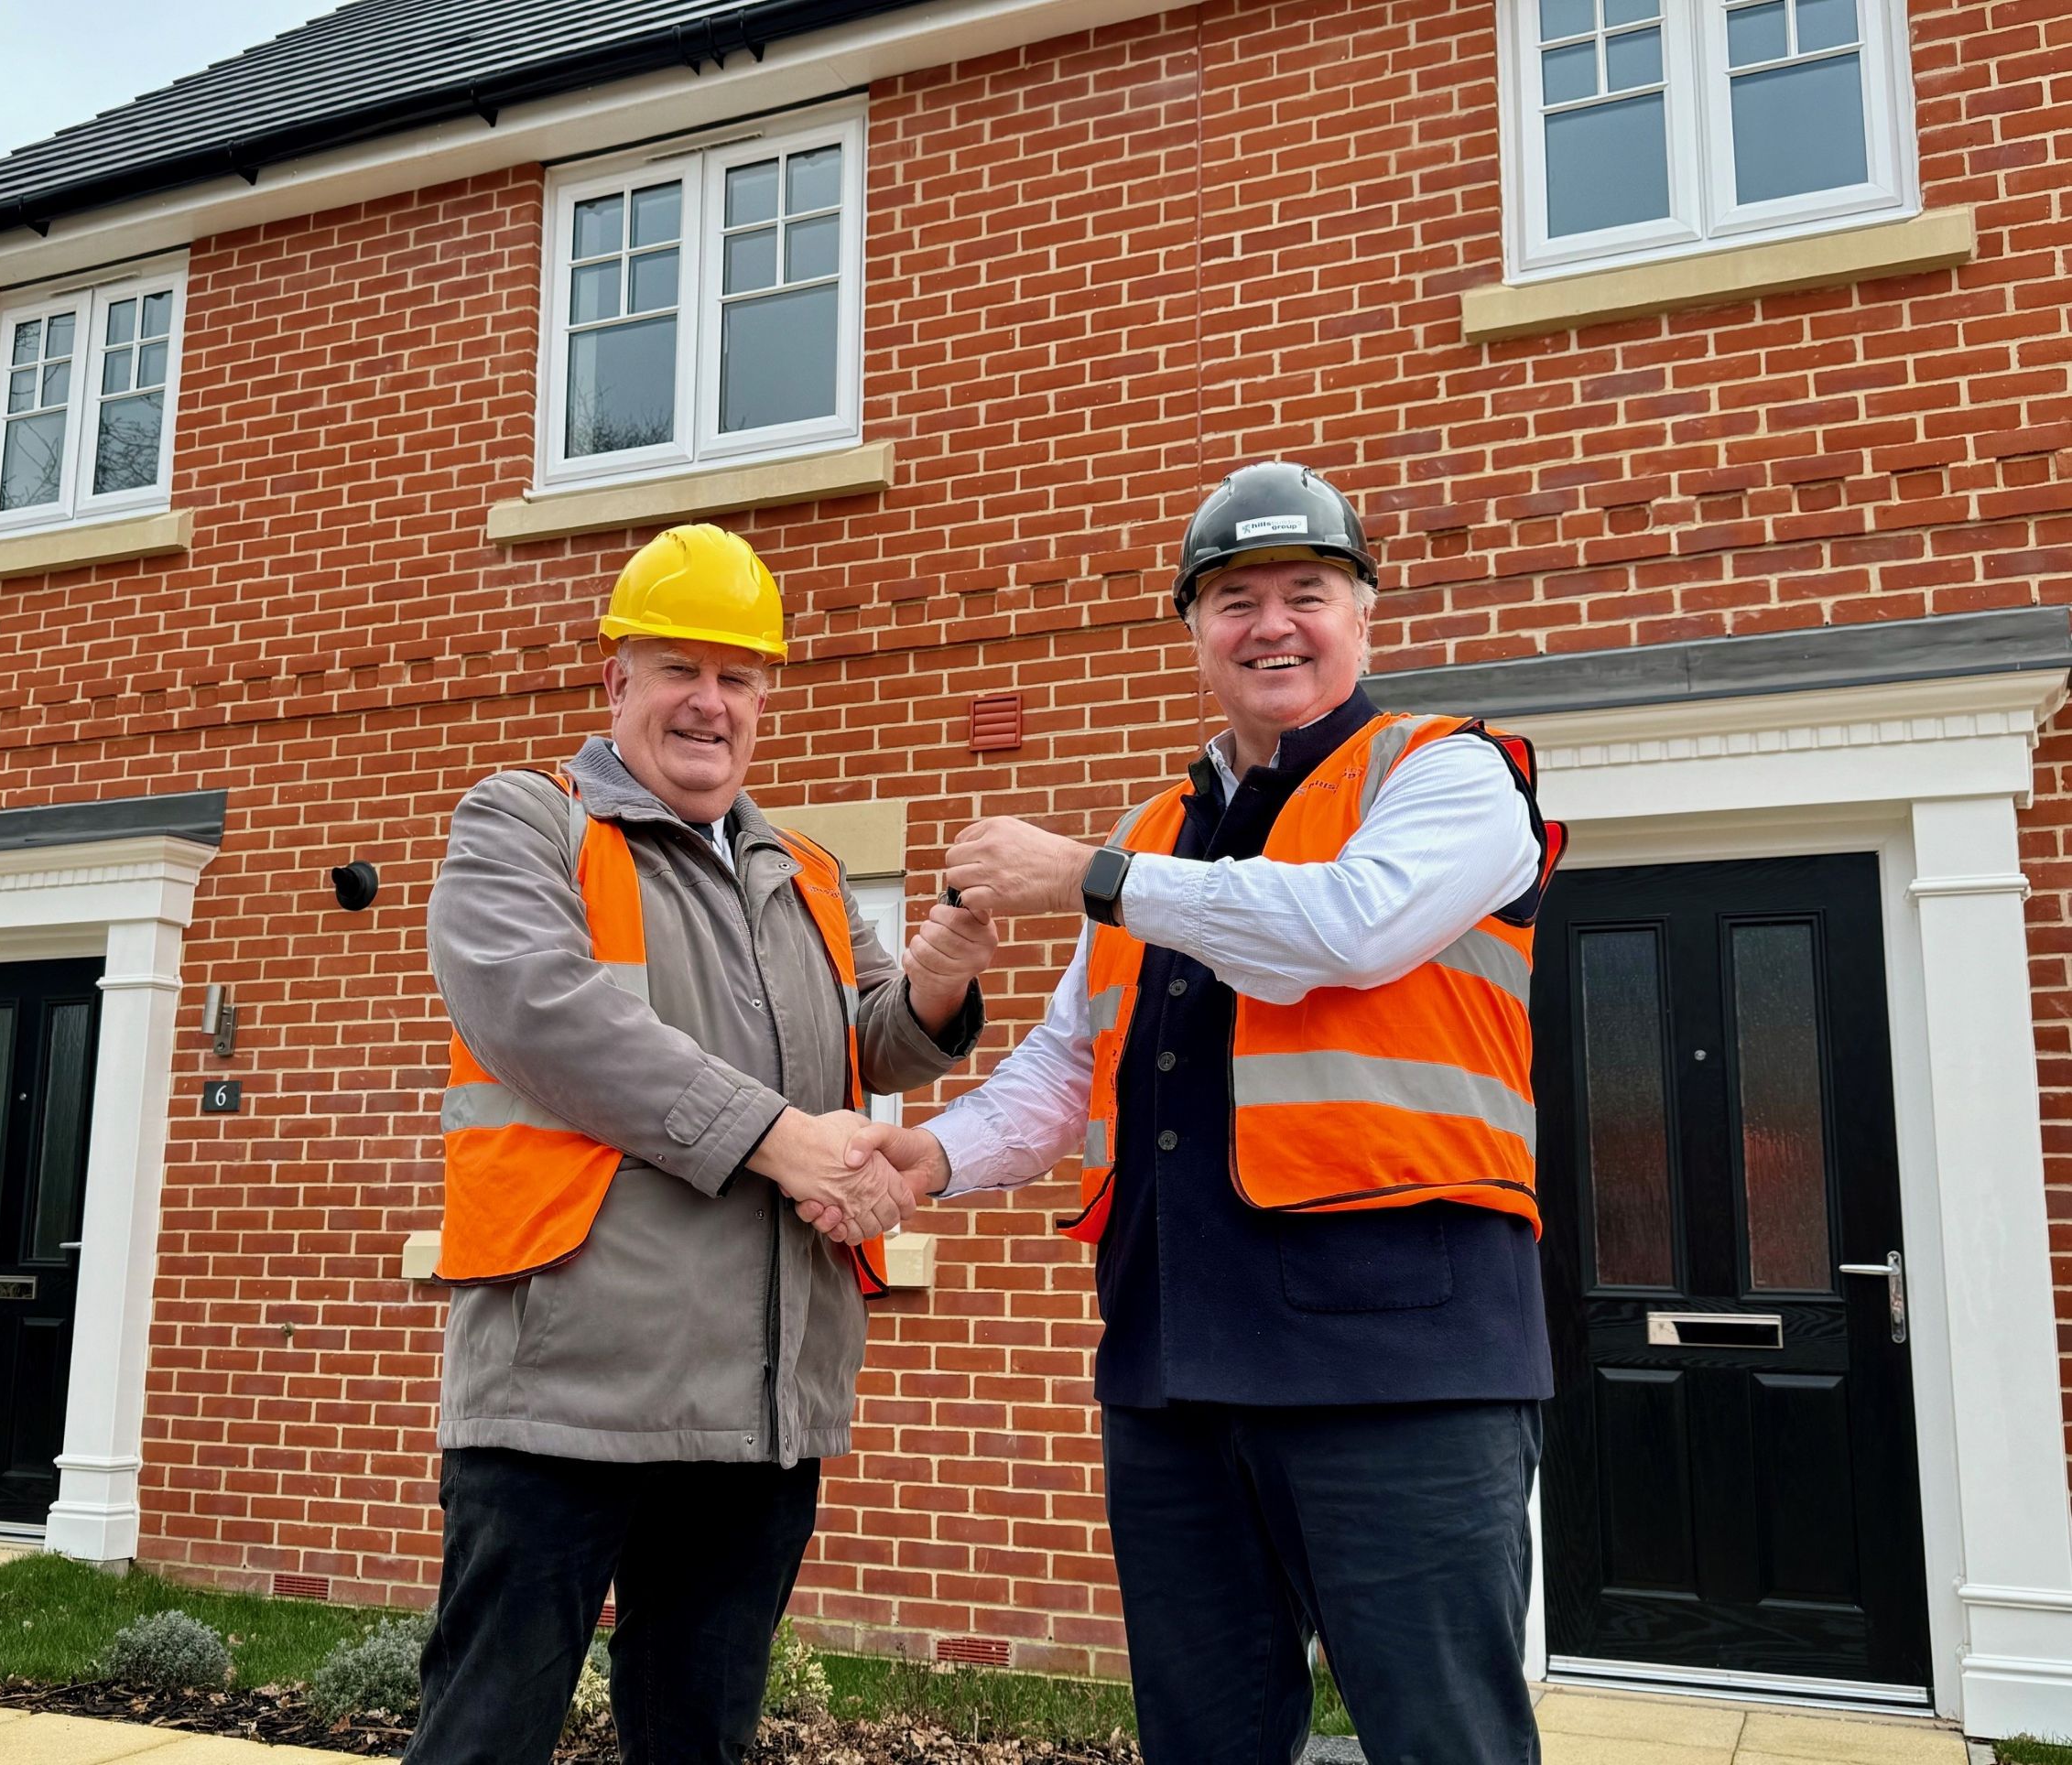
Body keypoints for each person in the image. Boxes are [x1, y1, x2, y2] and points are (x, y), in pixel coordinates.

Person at [822, 463, 1564, 1764]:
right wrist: (927, 1156)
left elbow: (1340, 930)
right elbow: (1069, 1063)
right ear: (1192, 630)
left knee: (1440, 1737)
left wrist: (1088, 874)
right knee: (1202, 1737)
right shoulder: (1159, 835)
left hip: (1402, 1366)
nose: (1270, 624)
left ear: (1363, 614)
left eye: (1306, 592)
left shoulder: (1448, 776)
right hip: (1175, 1363)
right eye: (1233, 599)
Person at [413, 523, 997, 1765]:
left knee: (700, 1738)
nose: (709, 702)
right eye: (680, 668)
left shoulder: (813, 874)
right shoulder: (526, 824)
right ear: (613, 680)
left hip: (759, 1403)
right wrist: (783, 1143)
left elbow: (872, 1045)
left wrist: (937, 988)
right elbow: (542, 1015)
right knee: (486, 1735)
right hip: (565, 1392)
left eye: (737, 676)